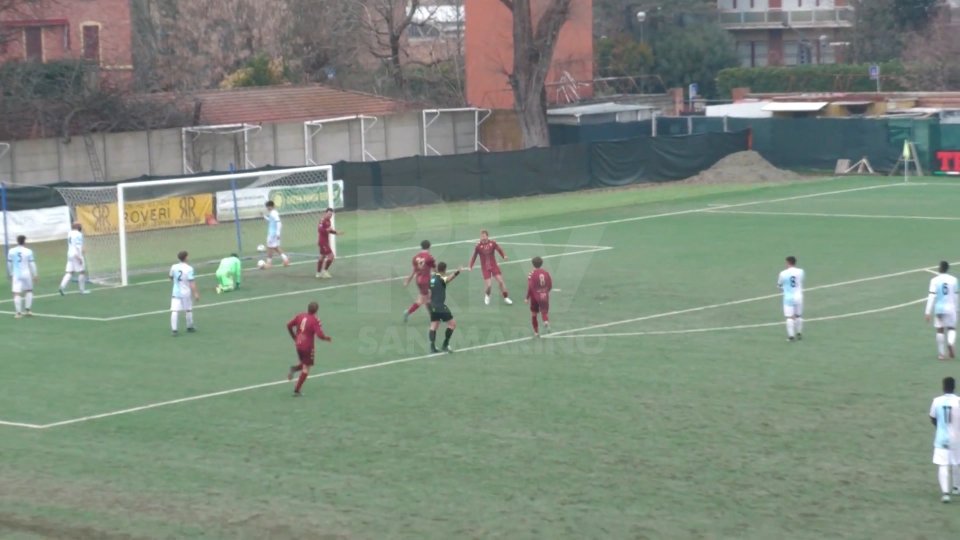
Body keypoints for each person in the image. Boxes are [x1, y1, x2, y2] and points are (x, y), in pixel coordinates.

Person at [286, 301, 332, 396]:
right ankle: (297, 390)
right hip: (307, 346)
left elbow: (288, 325)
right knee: (306, 368)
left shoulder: (300, 316)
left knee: (304, 363)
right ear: (316, 310)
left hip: (298, 344)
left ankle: (294, 369)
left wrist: (294, 337)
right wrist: (326, 338)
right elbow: (319, 335)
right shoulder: (315, 320)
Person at [930, 376, 960, 502]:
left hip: (941, 438)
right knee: (957, 462)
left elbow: (932, 418)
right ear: (954, 387)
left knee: (943, 464)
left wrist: (941, 428)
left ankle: (945, 493)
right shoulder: (958, 401)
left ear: (943, 387)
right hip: (957, 438)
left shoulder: (936, 401)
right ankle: (956, 487)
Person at [469, 229, 513, 305]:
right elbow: (474, 256)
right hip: (485, 268)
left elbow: (499, 249)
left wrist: (504, 256)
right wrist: (470, 266)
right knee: (489, 286)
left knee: (501, 282)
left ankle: (506, 297)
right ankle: (487, 295)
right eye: (481, 236)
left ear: (487, 236)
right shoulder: (478, 246)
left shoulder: (493, 243)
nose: (483, 238)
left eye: (484, 236)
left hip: (494, 266)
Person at [926, 261, 958, 360]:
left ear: (940, 268)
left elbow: (931, 296)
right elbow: (957, 296)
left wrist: (927, 312)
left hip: (939, 308)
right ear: (947, 269)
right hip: (951, 307)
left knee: (940, 329)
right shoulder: (954, 280)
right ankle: (950, 343)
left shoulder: (934, 280)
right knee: (951, 328)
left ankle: (941, 354)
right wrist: (958, 309)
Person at [428, 262, 461, 353]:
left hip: (432, 306)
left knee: (433, 326)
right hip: (440, 306)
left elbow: (429, 293)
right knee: (452, 324)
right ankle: (445, 344)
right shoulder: (441, 278)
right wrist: (457, 272)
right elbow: (449, 279)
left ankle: (432, 347)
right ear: (445, 270)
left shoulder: (432, 279)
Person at [402, 240, 436, 323]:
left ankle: (433, 316)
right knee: (422, 300)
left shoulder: (416, 257)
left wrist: (408, 281)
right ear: (429, 247)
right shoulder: (429, 257)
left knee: (427, 298)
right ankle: (408, 312)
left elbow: (414, 271)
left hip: (418, 280)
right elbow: (435, 270)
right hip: (425, 281)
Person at [7, 235, 38, 319]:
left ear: (17, 241)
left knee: (16, 293)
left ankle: (18, 313)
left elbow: (9, 264)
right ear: (24, 241)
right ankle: (28, 310)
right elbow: (32, 264)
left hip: (16, 274)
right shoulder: (28, 251)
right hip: (26, 273)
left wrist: (10, 274)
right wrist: (35, 274)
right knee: (29, 290)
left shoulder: (11, 251)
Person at [169, 250, 199, 336]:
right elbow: (191, 282)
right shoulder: (189, 268)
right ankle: (189, 327)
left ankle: (174, 330)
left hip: (176, 292)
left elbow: (170, 277)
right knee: (188, 309)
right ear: (186, 257)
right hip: (186, 292)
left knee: (174, 310)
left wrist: (175, 281)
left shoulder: (174, 266)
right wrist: (196, 293)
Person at [777, 256, 805, 342]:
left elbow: (779, 285)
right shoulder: (801, 271)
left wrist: (783, 287)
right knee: (798, 316)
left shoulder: (783, 273)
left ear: (788, 263)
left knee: (789, 318)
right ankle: (799, 333)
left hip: (788, 298)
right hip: (799, 296)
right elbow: (800, 281)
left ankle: (791, 336)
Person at [59, 222, 90, 296]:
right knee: (82, 272)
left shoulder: (70, 233)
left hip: (69, 254)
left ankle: (62, 287)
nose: (81, 227)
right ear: (77, 227)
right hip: (76, 254)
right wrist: (79, 256)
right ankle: (82, 290)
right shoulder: (78, 234)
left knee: (69, 272)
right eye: (80, 226)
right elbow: (77, 245)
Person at [526, 256, 552, 337]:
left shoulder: (531, 274)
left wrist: (527, 297)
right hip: (544, 294)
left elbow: (530, 287)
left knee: (534, 314)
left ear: (533, 264)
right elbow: (550, 284)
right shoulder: (546, 273)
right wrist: (546, 291)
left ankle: (536, 332)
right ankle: (545, 321)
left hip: (535, 296)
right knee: (544, 311)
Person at [262, 200, 289, 268]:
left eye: (268, 207)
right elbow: (271, 221)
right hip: (273, 233)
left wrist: (277, 233)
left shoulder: (274, 213)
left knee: (269, 248)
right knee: (276, 247)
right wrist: (265, 217)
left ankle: (269, 263)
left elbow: (279, 222)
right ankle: (285, 259)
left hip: (272, 234)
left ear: (271, 206)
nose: (267, 208)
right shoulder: (272, 213)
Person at [316, 207, 341, 279]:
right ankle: (324, 271)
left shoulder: (329, 221)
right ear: (325, 213)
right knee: (331, 256)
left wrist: (336, 232)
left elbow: (329, 230)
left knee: (322, 256)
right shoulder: (322, 220)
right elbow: (320, 230)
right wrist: (327, 230)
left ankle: (318, 273)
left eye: (331, 214)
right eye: (329, 214)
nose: (330, 215)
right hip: (323, 242)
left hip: (325, 241)